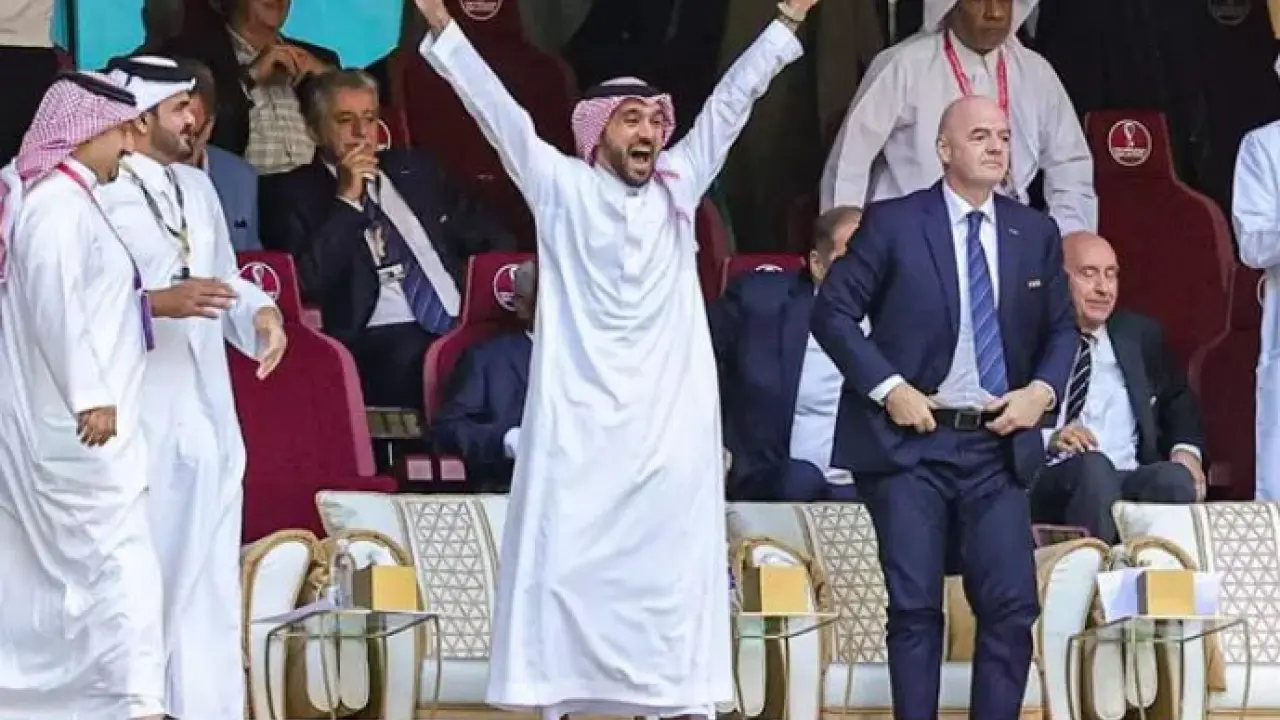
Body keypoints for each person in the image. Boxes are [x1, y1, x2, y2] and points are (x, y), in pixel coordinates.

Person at [416, 0, 814, 714]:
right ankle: (568, 699)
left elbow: (733, 103)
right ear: (597, 131)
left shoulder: (679, 186)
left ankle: (676, 700)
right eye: (632, 120)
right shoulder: (561, 188)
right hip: (581, 430)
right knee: (571, 574)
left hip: (666, 431)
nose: (650, 132)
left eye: (656, 121)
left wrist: (783, 24)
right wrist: (445, 31)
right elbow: (498, 115)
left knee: (669, 576)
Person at [811, 95, 1076, 720]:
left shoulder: (1034, 231)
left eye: (1003, 136)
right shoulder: (894, 222)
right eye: (980, 135)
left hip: (997, 443)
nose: (996, 147)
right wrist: (890, 388)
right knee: (914, 608)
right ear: (943, 149)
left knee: (1012, 605)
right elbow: (833, 312)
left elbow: (1063, 329)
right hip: (911, 443)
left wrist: (1041, 392)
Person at [100, 55, 287, 720]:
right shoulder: (97, 193)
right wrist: (158, 304)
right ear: (141, 115)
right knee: (145, 579)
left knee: (208, 582)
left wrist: (261, 313)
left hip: (208, 416)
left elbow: (224, 278)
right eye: (180, 107)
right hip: (140, 419)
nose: (195, 118)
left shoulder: (198, 187)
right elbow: (73, 304)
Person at [0, 71, 169, 720]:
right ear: (85, 130)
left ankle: (87, 701)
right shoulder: (54, 207)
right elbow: (56, 306)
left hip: (89, 430)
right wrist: (88, 395)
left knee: (89, 573)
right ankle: (134, 700)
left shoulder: (73, 200)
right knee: (118, 566)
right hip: (77, 433)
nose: (129, 144)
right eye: (121, 131)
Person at [260, 68, 512, 413]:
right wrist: (347, 201)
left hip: (456, 319)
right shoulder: (292, 192)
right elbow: (304, 281)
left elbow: (494, 236)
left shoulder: (418, 170)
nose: (361, 133)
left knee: (517, 353)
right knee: (436, 361)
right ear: (314, 130)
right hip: (378, 334)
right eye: (345, 120)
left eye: (369, 118)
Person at [819, 0, 1096, 237]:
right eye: (979, 1)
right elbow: (849, 161)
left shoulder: (1035, 71)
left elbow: (1070, 165)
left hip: (1006, 238)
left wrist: (1068, 238)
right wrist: (843, 245)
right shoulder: (904, 64)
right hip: (912, 237)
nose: (995, 13)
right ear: (950, 6)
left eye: (1004, 0)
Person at [1032, 232, 1204, 542]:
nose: (1103, 288)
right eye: (1089, 274)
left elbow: (1177, 398)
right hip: (1055, 477)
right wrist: (1051, 438)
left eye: (1111, 275)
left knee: (1174, 478)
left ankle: (1162, 571)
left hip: (1128, 474)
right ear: (1058, 279)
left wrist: (1186, 452)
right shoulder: (1028, 337)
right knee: (1094, 469)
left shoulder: (1138, 335)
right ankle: (1092, 570)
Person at [710, 206, 862, 502]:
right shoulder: (759, 302)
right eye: (851, 261)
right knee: (801, 479)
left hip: (860, 487)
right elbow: (692, 371)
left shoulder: (900, 321)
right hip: (776, 478)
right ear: (817, 265)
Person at [161, 0, 339, 173]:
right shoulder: (188, 56)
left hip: (314, 188)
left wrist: (331, 83)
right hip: (240, 187)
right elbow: (195, 132)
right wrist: (248, 79)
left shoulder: (320, 60)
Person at [434, 259, 537, 492]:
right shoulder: (486, 359)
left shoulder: (596, 358)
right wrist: (507, 439)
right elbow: (448, 430)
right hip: (514, 487)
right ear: (521, 305)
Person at [182, 57, 262, 251]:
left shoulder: (241, 177)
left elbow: (251, 256)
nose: (184, 142)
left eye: (193, 130)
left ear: (210, 124)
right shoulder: (132, 176)